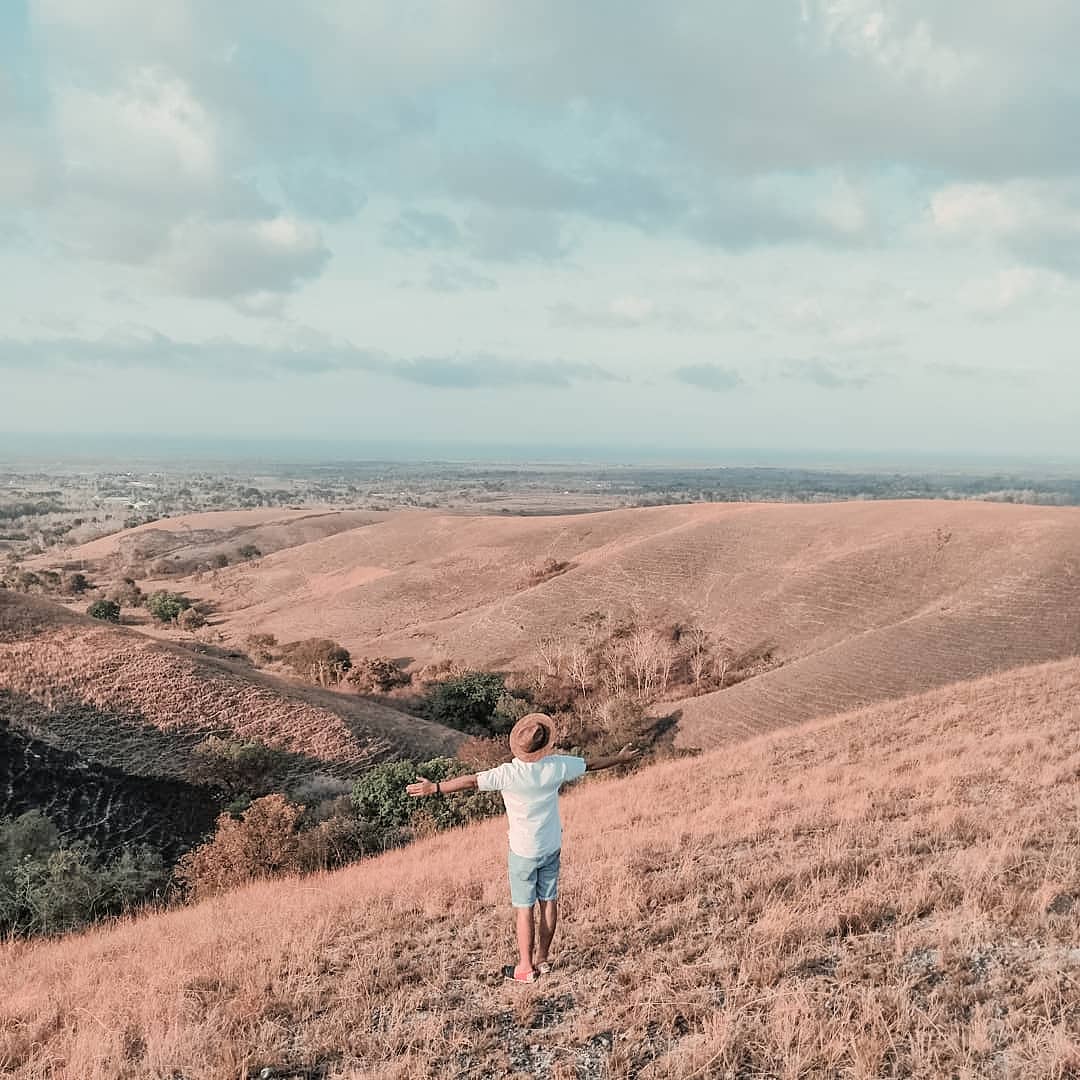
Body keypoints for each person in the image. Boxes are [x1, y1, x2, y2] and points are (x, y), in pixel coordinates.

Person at [406, 712, 640, 982]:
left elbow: (471, 781)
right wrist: (620, 759)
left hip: (522, 851)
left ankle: (526, 968)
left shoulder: (508, 774)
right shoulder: (556, 766)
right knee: (548, 902)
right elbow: (591, 764)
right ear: (544, 746)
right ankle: (543, 959)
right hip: (550, 846)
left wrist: (435, 787)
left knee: (524, 908)